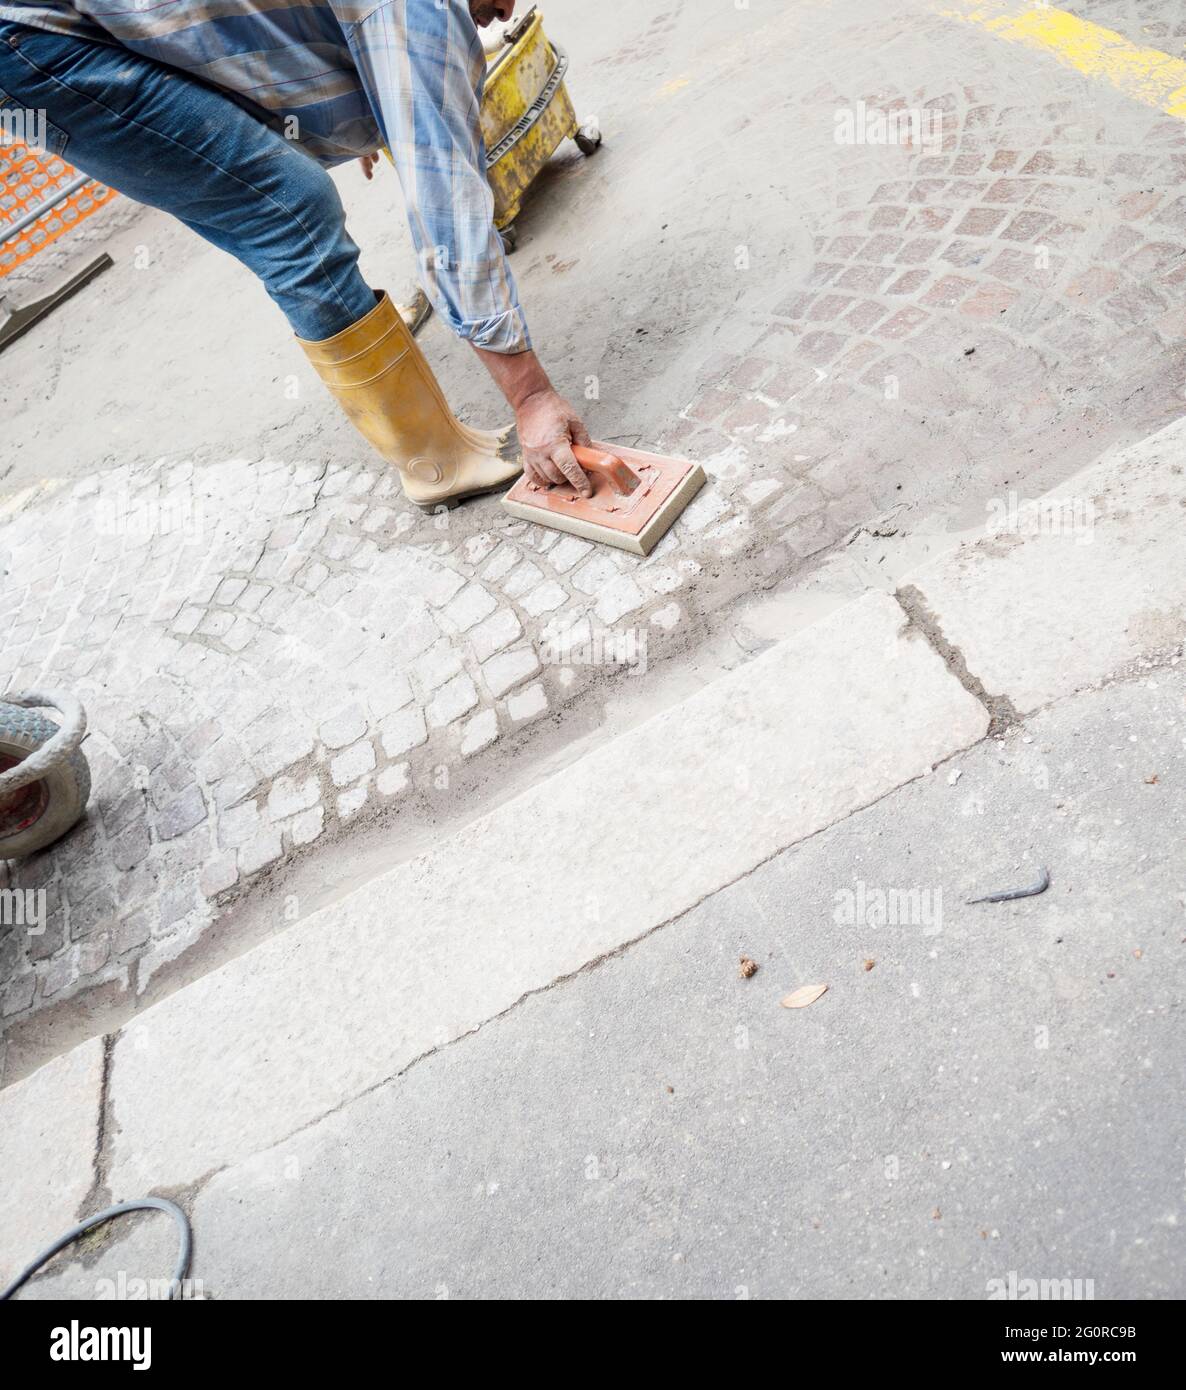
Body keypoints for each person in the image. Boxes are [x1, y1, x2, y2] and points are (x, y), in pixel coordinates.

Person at [0, 0, 595, 506]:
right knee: (286, 208)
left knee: (285, 190)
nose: (508, 10)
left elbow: (242, 32)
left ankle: (441, 440)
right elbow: (445, 196)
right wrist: (531, 395)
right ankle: (431, 460)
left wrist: (341, 106)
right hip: (36, 42)